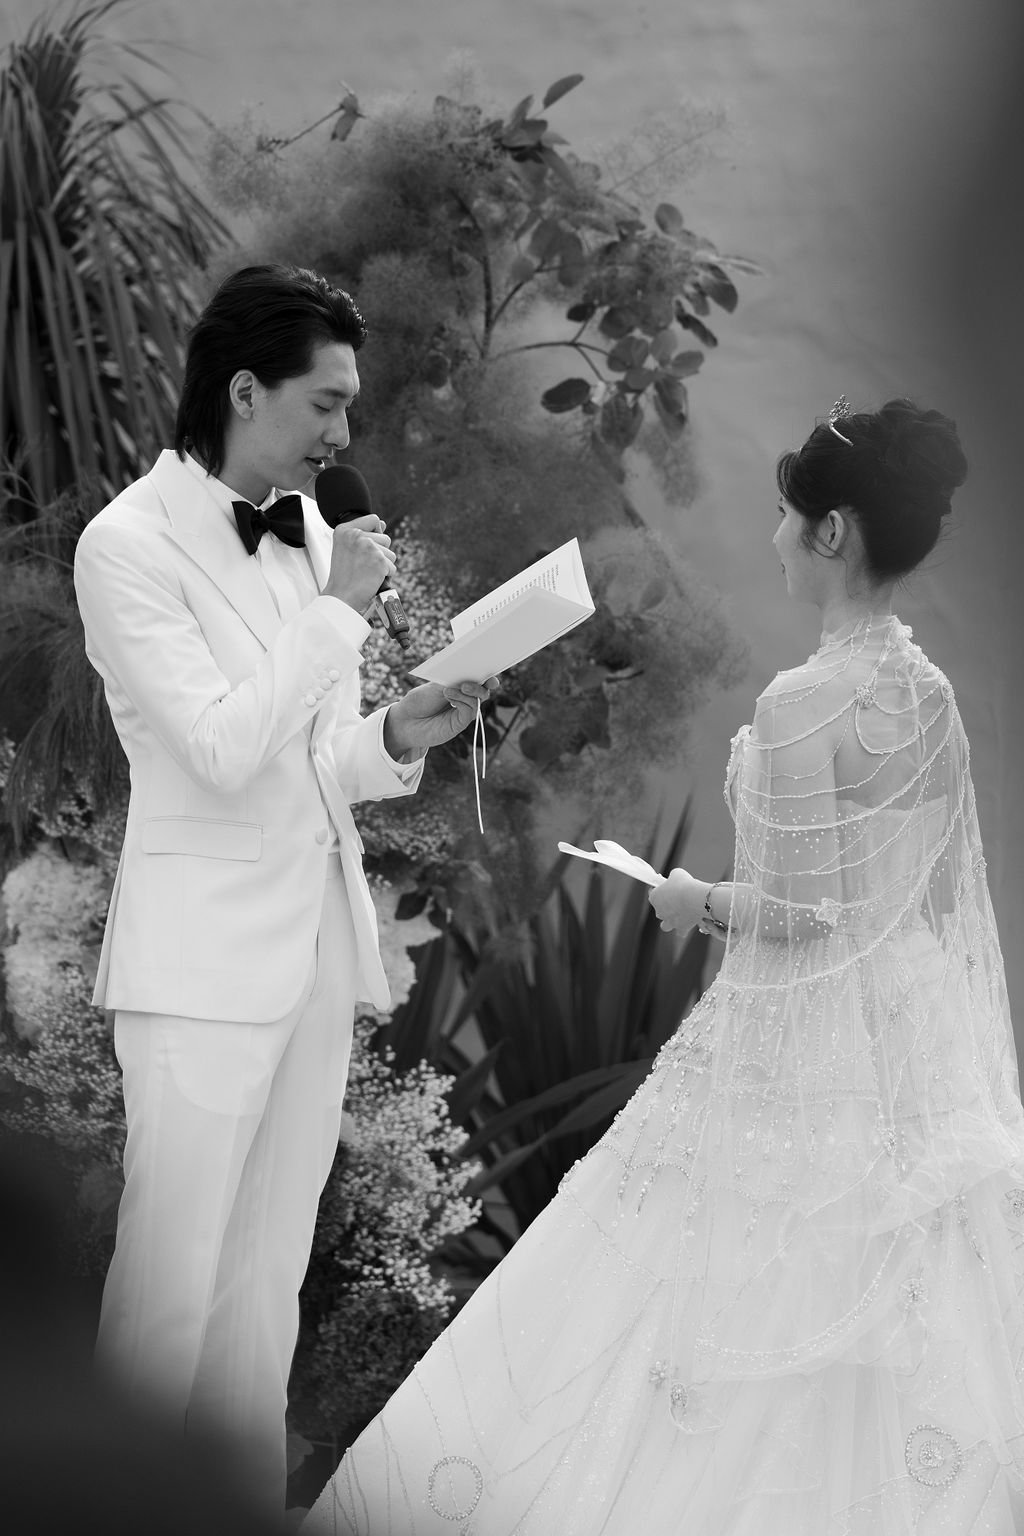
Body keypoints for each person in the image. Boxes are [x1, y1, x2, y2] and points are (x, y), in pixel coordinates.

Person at [300, 398, 1024, 1534]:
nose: (777, 536)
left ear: (832, 532)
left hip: (800, 1052)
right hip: (907, 1043)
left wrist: (695, 902)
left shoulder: (804, 703)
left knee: (691, 1283)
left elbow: (806, 913)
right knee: (897, 1311)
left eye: (787, 516)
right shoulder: (930, 698)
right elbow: (913, 903)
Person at [73, 262, 498, 1514]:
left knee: (265, 1284)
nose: (343, 435)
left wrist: (402, 731)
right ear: (245, 391)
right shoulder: (125, 545)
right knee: (167, 1290)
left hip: (312, 952)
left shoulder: (312, 537)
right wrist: (334, 616)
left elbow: (315, 763)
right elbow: (217, 749)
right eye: (325, 403)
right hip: (199, 964)